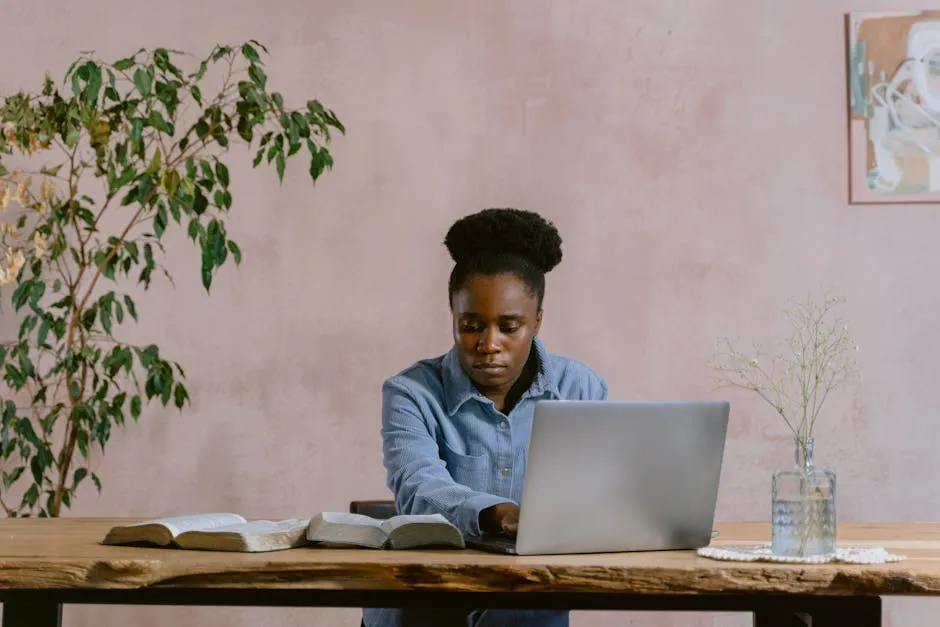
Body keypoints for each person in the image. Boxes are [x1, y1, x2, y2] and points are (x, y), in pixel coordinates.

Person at [362, 208, 608, 627]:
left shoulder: (580, 389)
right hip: (421, 613)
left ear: (537, 322)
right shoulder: (410, 392)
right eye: (470, 325)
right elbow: (417, 486)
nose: (488, 344)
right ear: (453, 318)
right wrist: (497, 512)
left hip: (530, 616)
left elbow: (596, 495)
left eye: (509, 327)